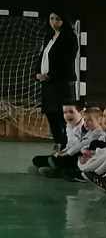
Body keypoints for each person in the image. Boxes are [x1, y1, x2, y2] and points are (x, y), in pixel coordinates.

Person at [34, 12, 78, 152]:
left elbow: (66, 62)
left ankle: (67, 145)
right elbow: (43, 56)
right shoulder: (50, 36)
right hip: (47, 85)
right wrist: (37, 73)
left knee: (61, 115)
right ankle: (59, 143)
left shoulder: (69, 37)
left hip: (61, 83)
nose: (54, 22)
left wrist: (51, 76)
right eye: (51, 18)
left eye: (57, 19)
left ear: (63, 20)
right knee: (50, 113)